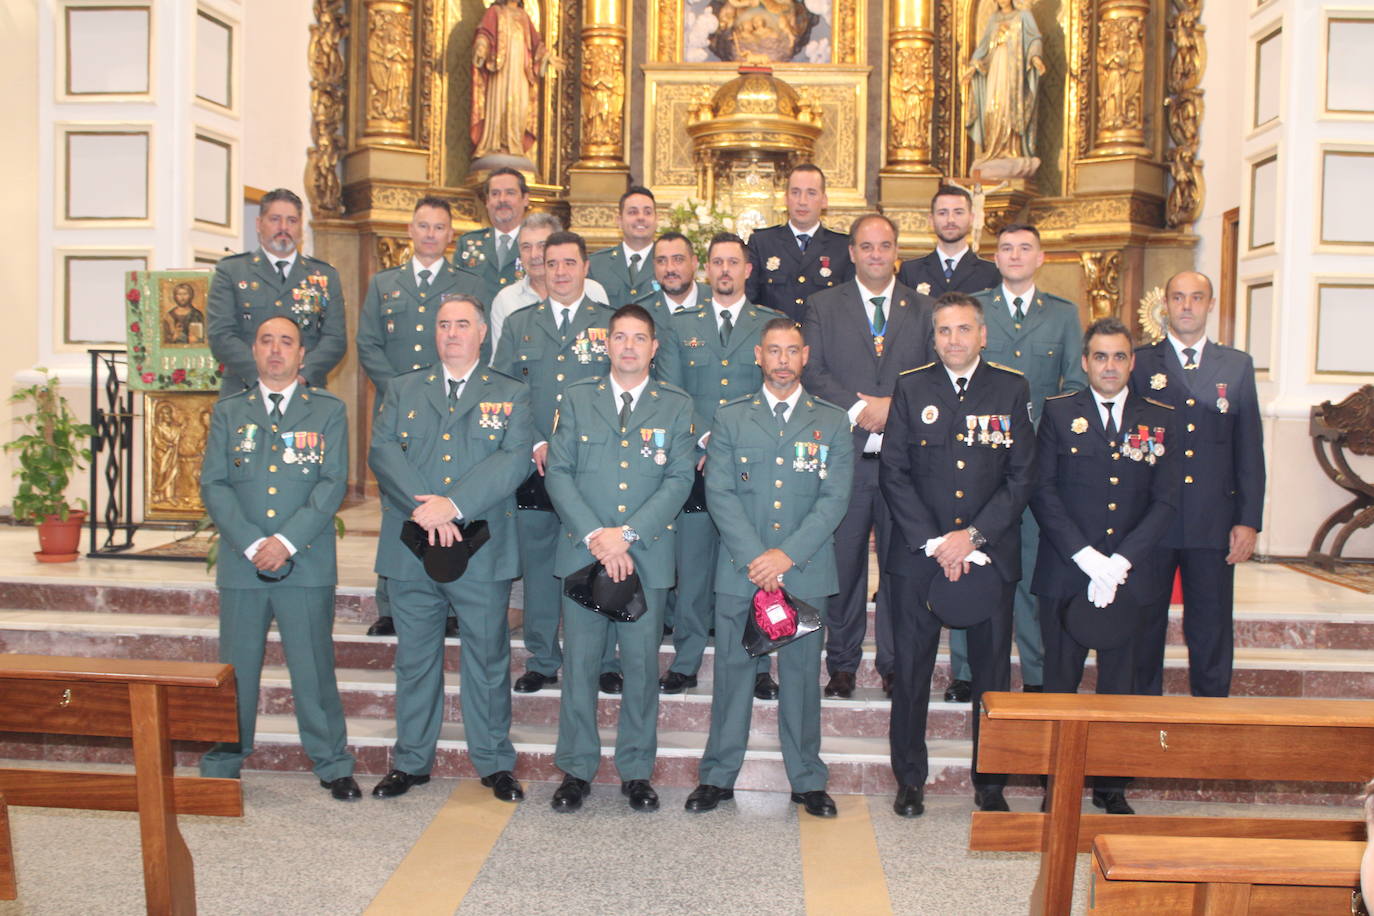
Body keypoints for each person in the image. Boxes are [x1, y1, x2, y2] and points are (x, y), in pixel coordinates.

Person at [367, 295, 533, 800]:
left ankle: (494, 762)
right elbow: (382, 451)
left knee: (487, 659)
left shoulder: (511, 393)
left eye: (463, 324)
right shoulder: (402, 388)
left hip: (480, 548)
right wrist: (428, 508)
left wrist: (454, 504)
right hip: (412, 544)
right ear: (433, 333)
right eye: (444, 325)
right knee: (415, 659)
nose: (453, 333)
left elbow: (514, 459)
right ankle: (412, 761)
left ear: (483, 333)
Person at [686, 318, 854, 818]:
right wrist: (758, 559)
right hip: (742, 569)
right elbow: (719, 492)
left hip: (805, 570)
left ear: (805, 357)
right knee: (733, 675)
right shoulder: (732, 417)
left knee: (802, 680)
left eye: (792, 351)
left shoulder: (833, 421)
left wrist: (786, 556)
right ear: (758, 356)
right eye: (773, 351)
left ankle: (806, 778)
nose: (782, 360)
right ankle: (717, 776)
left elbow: (834, 499)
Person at [880, 291, 1036, 817]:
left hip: (988, 555)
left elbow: (1021, 476)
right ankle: (909, 777)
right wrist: (937, 542)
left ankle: (990, 781)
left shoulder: (1011, 388)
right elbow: (894, 472)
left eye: (964, 329)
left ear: (983, 334)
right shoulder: (911, 386)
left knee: (992, 674)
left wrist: (973, 537)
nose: (954, 340)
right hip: (920, 557)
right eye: (944, 331)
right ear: (934, 336)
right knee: (913, 670)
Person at [198, 315, 357, 801]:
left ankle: (332, 762)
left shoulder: (326, 410)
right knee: (236, 671)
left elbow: (331, 484)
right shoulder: (230, 411)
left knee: (312, 667)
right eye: (266, 341)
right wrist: (251, 544)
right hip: (243, 562)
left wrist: (284, 543)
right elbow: (214, 483)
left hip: (304, 560)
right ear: (254, 349)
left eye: (286, 342)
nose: (275, 350)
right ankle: (224, 760)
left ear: (302, 354)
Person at [544, 304, 695, 812]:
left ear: (654, 348)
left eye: (639, 338)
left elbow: (679, 479)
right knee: (581, 666)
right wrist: (596, 536)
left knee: (640, 667)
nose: (629, 346)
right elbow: (558, 472)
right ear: (605, 344)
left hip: (645, 556)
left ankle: (635, 770)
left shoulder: (675, 405)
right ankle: (576, 769)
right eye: (620, 337)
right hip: (584, 554)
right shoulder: (577, 398)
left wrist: (626, 535)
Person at [1030, 316, 1179, 815]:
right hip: (1067, 571)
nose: (1109, 366)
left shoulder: (1159, 415)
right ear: (1085, 362)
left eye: (1119, 357)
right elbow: (1042, 491)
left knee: (1122, 684)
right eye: (1100, 356)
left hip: (1132, 576)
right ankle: (1058, 782)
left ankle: (1113, 785)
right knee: (1060, 683)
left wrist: (1120, 562)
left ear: (1132, 362)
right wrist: (1087, 557)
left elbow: (1166, 500)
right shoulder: (1056, 412)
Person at [944, 223, 1085, 702]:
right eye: (1006, 248)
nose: (1016, 255)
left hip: (1039, 464)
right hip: (983, 466)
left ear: (1041, 257)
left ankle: (1037, 669)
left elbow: (1073, 389)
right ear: (995, 257)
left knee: (1027, 570)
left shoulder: (1063, 316)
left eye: (1025, 248)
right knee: (971, 561)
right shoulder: (975, 310)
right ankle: (965, 670)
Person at [801, 214, 934, 699]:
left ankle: (896, 662)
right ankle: (842, 663)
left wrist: (893, 409)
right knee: (845, 565)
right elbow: (812, 371)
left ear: (895, 250)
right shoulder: (822, 305)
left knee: (901, 566)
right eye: (866, 246)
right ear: (851, 253)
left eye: (885, 245)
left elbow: (936, 373)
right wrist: (860, 409)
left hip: (906, 464)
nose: (876, 254)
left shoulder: (924, 309)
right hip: (846, 459)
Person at [491, 231, 620, 695]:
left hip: (597, 467)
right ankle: (543, 657)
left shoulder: (609, 324)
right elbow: (503, 395)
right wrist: (536, 441)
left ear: (586, 267)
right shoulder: (520, 324)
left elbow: (623, 391)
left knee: (599, 559)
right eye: (552, 264)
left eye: (570, 262)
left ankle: (606, 659)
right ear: (538, 268)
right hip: (535, 466)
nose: (561, 272)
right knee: (542, 564)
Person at [660, 232, 786, 699]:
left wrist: (730, 440)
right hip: (695, 463)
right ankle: (687, 660)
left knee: (754, 565)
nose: (726, 271)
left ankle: (758, 666)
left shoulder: (770, 324)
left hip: (753, 464)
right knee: (692, 571)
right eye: (717, 263)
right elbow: (672, 392)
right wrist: (706, 438)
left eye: (734, 262)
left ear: (748, 270)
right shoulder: (679, 324)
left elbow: (775, 386)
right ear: (705, 270)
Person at [1131, 270, 1265, 698]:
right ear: (1164, 305)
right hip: (1151, 520)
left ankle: (1212, 717)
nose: (1186, 306)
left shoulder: (1236, 365)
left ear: (1210, 305)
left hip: (1212, 520)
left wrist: (1248, 519)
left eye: (1196, 298)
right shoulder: (1139, 362)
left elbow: (1249, 450)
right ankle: (1141, 716)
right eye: (1178, 297)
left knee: (1210, 624)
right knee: (1145, 625)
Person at [357, 195, 482, 639]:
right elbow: (368, 343)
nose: (430, 234)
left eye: (439, 227)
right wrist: (399, 391)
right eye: (423, 225)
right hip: (400, 408)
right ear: (410, 230)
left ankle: (447, 597)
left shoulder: (468, 282)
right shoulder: (384, 283)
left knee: (445, 495)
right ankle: (390, 602)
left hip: (451, 410)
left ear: (451, 235)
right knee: (398, 501)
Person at [207, 188, 347, 396]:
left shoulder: (325, 276)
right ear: (259, 224)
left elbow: (335, 339)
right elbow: (221, 335)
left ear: (301, 227)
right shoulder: (232, 271)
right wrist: (264, 376)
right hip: (245, 392)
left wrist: (300, 376)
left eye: (291, 220)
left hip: (305, 393)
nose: (284, 227)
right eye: (275, 219)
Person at [744, 164, 854, 323]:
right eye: (795, 192)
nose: (802, 201)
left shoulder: (842, 247)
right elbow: (748, 304)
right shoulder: (762, 243)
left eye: (811, 193)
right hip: (774, 344)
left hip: (823, 345)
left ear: (824, 201)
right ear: (786, 199)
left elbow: (849, 309)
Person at [488, 213, 608, 347]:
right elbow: (504, 364)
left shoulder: (593, 291)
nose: (534, 255)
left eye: (542, 246)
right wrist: (525, 370)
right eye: (526, 247)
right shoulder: (506, 300)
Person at [963, 0, 1046, 166]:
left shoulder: (1023, 16)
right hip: (995, 67)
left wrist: (1035, 58)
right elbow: (983, 47)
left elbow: (1034, 39)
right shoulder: (993, 19)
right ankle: (993, 150)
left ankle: (1011, 149)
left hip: (1013, 72)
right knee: (992, 105)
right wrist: (972, 67)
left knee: (1008, 106)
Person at [470, 0, 552, 161]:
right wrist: (481, 46)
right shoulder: (495, 11)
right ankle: (494, 144)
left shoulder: (524, 16)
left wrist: (547, 58)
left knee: (519, 105)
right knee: (500, 104)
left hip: (520, 71)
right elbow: (484, 34)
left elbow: (537, 45)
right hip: (500, 69)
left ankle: (514, 144)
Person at [896, 185, 1000, 298]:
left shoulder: (992, 272)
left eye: (958, 212)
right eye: (942, 213)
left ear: (971, 218)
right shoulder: (911, 271)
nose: (950, 220)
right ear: (931, 220)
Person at [456, 168, 530, 305]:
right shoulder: (468, 244)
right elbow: (457, 296)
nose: (502, 200)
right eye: (495, 194)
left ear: (525, 199)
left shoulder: (540, 245)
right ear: (487, 201)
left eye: (510, 193)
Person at [588, 187, 660, 309]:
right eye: (633, 212)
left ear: (656, 220)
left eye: (647, 212)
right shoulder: (595, 265)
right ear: (619, 220)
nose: (641, 217)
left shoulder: (667, 264)